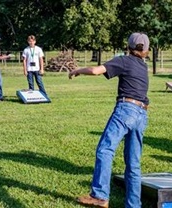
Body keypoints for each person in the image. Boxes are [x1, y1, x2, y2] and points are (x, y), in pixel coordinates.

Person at [69, 32, 150, 208]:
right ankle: (134, 204)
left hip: (126, 110)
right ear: (146, 50)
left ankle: (99, 196)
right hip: (142, 113)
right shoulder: (143, 66)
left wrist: (77, 70)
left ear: (128, 46)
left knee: (105, 150)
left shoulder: (124, 60)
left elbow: (96, 71)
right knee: (134, 164)